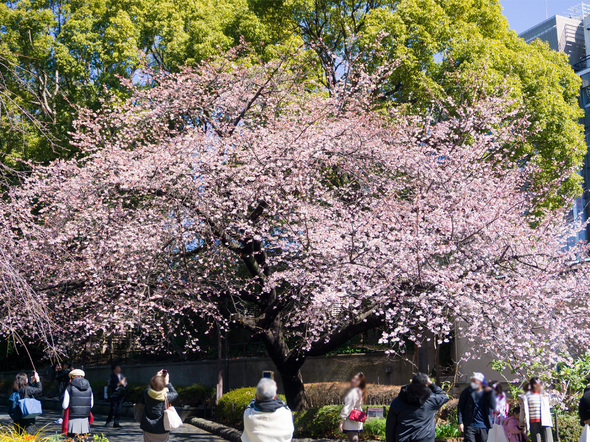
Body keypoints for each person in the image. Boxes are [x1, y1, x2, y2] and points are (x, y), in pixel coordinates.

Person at [385, 372, 449, 442]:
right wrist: (430, 383)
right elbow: (444, 396)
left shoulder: (397, 401)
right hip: (425, 439)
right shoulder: (431, 400)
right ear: (425, 384)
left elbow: (390, 427)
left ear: (411, 383)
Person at [242, 378, 294, 442]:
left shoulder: (248, 415)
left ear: (256, 397)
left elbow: (251, 404)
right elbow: (282, 403)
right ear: (275, 396)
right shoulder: (286, 413)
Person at [140, 370, 178, 442]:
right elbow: (175, 393)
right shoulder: (166, 396)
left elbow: (149, 388)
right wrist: (167, 382)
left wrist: (156, 377)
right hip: (163, 428)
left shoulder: (147, 394)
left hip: (148, 427)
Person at [457, 372, 496, 442]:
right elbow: (460, 407)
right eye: (472, 380)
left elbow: (493, 406)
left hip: (483, 425)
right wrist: (460, 422)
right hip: (470, 424)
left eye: (475, 381)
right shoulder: (467, 392)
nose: (473, 382)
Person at [62, 368, 94, 440]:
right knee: (83, 439)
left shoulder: (69, 388)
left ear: (71, 378)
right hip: (85, 418)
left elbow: (65, 405)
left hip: (72, 417)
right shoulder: (89, 388)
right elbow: (91, 404)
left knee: (71, 439)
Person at [519, 377, 553, 442]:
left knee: (548, 439)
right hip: (533, 422)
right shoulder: (526, 396)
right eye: (540, 383)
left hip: (545, 421)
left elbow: (555, 401)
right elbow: (522, 409)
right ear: (534, 385)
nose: (542, 384)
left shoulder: (545, 395)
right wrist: (521, 420)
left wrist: (563, 390)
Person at [339, 372, 367, 442]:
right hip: (357, 421)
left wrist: (341, 422)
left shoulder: (353, 392)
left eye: (357, 380)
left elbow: (347, 407)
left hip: (351, 421)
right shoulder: (360, 391)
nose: (354, 380)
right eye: (354, 378)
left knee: (354, 439)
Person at [105, 364, 127, 428]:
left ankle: (116, 422)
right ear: (114, 369)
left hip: (120, 394)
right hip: (114, 394)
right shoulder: (111, 376)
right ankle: (108, 420)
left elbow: (125, 383)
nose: (119, 369)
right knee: (113, 408)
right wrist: (118, 384)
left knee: (119, 409)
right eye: (117, 368)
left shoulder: (122, 376)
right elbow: (109, 384)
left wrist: (124, 383)